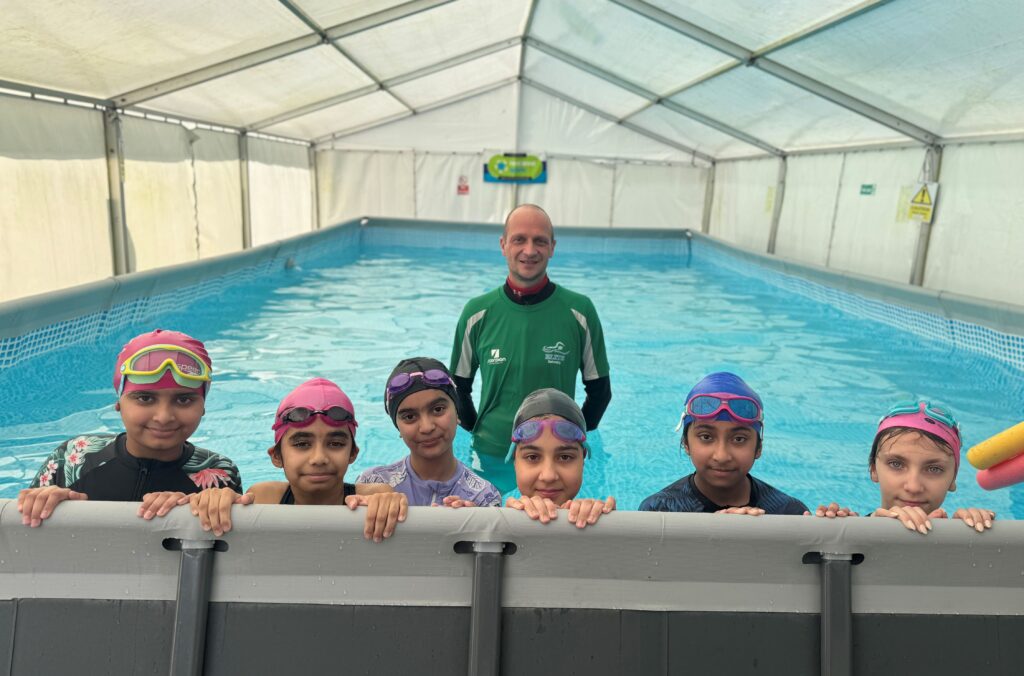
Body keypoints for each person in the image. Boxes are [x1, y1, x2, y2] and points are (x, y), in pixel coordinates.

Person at [450, 204, 611, 492]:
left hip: (554, 463)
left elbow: (600, 391)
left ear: (552, 247)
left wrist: (570, 438)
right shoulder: (477, 313)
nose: (529, 250)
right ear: (503, 245)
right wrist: (480, 432)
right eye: (519, 239)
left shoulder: (579, 311)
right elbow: (456, 388)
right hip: (491, 457)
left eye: (540, 241)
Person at [17, 329, 242, 527]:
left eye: (184, 400)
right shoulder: (74, 457)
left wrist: (190, 510)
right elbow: (19, 535)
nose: (163, 417)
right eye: (145, 398)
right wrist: (42, 504)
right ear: (118, 403)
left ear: (203, 406)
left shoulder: (219, 472)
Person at [186, 377, 407, 542]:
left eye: (336, 444)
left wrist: (389, 505)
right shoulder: (266, 497)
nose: (319, 458)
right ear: (277, 456)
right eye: (302, 444)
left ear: (352, 453)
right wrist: (215, 501)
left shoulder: (372, 497)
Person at [812, 401, 995, 534]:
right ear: (873, 469)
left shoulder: (963, 535)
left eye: (934, 469)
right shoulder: (848, 531)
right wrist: (833, 531)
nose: (914, 487)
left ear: (953, 478)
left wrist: (969, 542)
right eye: (896, 464)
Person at [639, 372, 807, 515]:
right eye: (706, 437)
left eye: (739, 439)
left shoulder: (788, 513)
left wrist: (831, 527)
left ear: (759, 447)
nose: (722, 456)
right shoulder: (660, 511)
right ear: (686, 443)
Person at [357, 358, 501, 507]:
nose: (426, 427)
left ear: (457, 413)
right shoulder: (373, 484)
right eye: (410, 417)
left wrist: (476, 524)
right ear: (398, 427)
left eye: (438, 409)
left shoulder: (483, 497)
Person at [504, 388, 615, 528]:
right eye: (532, 457)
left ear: (583, 459)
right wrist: (505, 520)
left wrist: (607, 524)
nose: (548, 476)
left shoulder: (594, 518)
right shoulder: (493, 508)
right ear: (515, 461)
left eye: (564, 457)